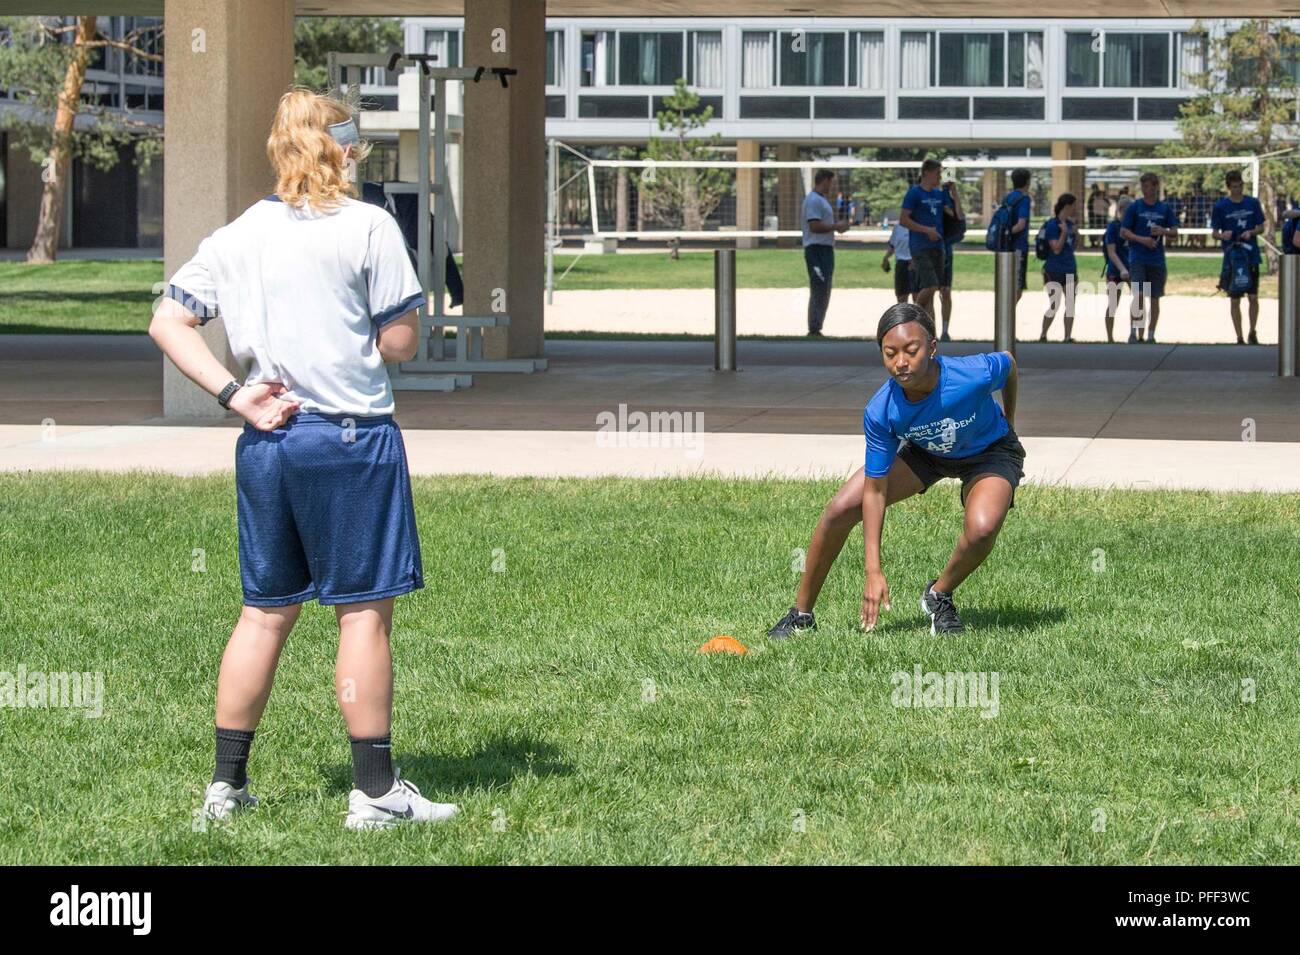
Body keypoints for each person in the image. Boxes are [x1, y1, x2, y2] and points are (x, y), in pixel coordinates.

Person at [149, 89, 458, 831]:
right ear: (336, 148)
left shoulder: (238, 233)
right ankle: (376, 792)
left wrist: (236, 393)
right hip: (352, 440)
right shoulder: (369, 225)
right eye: (349, 137)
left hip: (267, 443)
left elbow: (169, 319)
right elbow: (400, 341)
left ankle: (225, 788)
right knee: (362, 615)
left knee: (263, 612)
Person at [767, 303, 1023, 639]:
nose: (901, 362)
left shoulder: (972, 374)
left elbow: (1009, 364)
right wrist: (873, 570)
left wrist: (1010, 420)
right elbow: (875, 490)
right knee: (840, 508)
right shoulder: (881, 409)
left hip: (989, 451)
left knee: (982, 529)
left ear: (931, 348)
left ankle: (938, 595)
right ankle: (801, 616)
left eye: (911, 351)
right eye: (890, 353)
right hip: (927, 451)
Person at [1120, 172, 1179, 344]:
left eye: (1151, 186)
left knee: (1154, 297)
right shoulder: (1135, 207)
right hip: (1138, 257)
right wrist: (1142, 240)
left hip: (1157, 260)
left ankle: (1151, 334)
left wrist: (1164, 231)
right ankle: (1133, 332)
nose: (1147, 190)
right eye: (1144, 186)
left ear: (1156, 187)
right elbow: (1124, 231)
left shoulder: (1164, 208)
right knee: (1138, 294)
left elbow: (1175, 232)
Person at [1211, 170, 1266, 345]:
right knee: (1235, 297)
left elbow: (1261, 227)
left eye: (1240, 186)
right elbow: (1214, 233)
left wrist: (1251, 232)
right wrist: (1223, 236)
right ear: (1229, 187)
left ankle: (1252, 331)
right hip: (1232, 257)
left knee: (1253, 296)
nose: (1238, 189)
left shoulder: (1252, 203)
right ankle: (1239, 336)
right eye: (1234, 187)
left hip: (1250, 255)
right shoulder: (1221, 206)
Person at [899, 158, 957, 320]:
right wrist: (926, 230)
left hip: (938, 247)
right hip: (920, 246)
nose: (940, 176)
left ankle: (929, 330)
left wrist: (954, 191)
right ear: (926, 173)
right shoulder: (914, 193)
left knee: (933, 289)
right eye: (938, 173)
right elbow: (903, 219)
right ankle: (911, 316)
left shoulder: (939, 194)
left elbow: (956, 215)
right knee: (930, 285)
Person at [803, 169, 851, 337]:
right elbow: (814, 226)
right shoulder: (813, 200)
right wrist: (835, 226)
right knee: (819, 286)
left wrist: (838, 227)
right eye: (831, 182)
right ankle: (814, 328)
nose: (832, 186)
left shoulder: (822, 200)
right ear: (824, 180)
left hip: (826, 248)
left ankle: (817, 326)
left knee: (825, 288)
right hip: (816, 249)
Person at [1039, 193, 1078, 343]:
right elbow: (1055, 248)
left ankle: (1067, 336)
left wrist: (1075, 232)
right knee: (1054, 304)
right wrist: (1063, 233)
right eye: (1073, 206)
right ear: (1067, 206)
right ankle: (1043, 334)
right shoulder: (1053, 225)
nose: (1075, 209)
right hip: (1054, 269)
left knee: (1070, 304)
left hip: (1070, 267)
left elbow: (1073, 247)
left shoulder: (1069, 224)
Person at [1102, 195, 1134, 344]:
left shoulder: (1134, 226)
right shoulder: (1113, 227)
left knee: (1138, 300)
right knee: (1113, 303)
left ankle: (1135, 335)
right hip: (1116, 270)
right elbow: (1111, 252)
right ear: (1121, 210)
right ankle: (1110, 338)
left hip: (1133, 268)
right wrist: (1122, 269)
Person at [937, 179, 966, 342]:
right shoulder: (924, 196)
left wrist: (954, 193)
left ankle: (945, 330)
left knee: (945, 291)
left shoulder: (946, 196)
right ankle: (926, 329)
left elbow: (959, 217)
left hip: (946, 249)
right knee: (925, 291)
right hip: (930, 248)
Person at [1004, 168, 1033, 304]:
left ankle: (1006, 319)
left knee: (1008, 285)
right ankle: (1007, 320)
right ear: (1027, 182)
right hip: (1018, 247)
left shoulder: (1007, 197)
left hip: (1005, 247)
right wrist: (1010, 233)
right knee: (1017, 289)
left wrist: (1005, 235)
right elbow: (1021, 224)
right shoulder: (1024, 199)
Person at [882, 219, 914, 305]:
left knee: (917, 296)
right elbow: (893, 245)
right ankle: (903, 317)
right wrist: (886, 258)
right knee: (901, 297)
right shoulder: (898, 227)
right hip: (901, 263)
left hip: (915, 263)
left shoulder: (918, 224)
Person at [1088, 183, 1109, 249]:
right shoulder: (1096, 197)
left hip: (1096, 216)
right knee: (1097, 230)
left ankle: (1097, 242)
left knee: (1099, 229)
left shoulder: (1095, 196)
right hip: (1096, 216)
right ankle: (1095, 242)